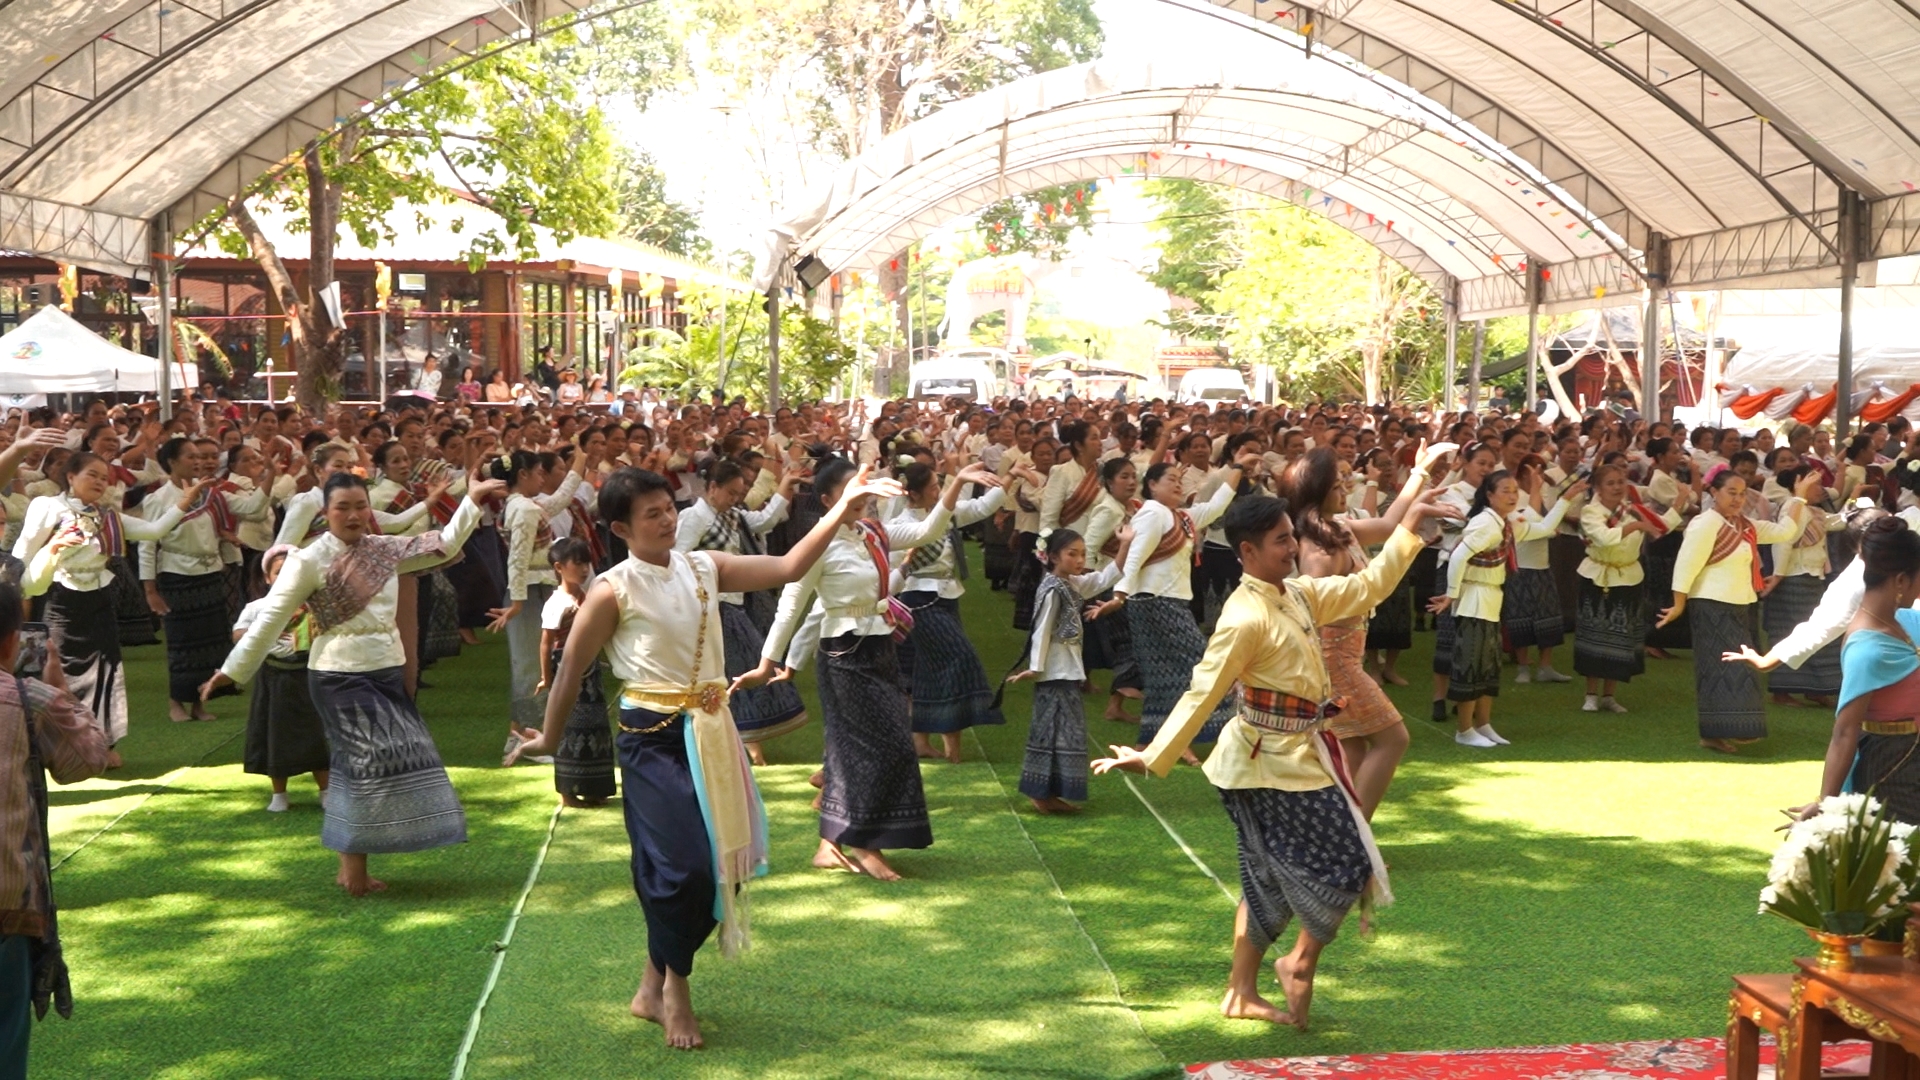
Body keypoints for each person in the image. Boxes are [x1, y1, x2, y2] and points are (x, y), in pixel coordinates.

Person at [506, 463, 904, 1050]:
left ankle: (651, 985)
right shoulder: (611, 589)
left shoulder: (703, 565)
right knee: (682, 869)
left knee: (723, 869)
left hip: (714, 733)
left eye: (669, 507)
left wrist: (843, 509)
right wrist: (547, 737)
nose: (667, 519)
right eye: (652, 514)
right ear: (621, 529)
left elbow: (789, 566)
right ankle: (675, 991)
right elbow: (569, 670)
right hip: (651, 739)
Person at [1093, 493, 1445, 1030]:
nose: (1292, 548)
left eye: (1291, 537)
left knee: (1268, 876)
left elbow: (1367, 588)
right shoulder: (1245, 616)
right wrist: (1151, 756)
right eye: (1281, 540)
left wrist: (1410, 527)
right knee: (1350, 860)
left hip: (1298, 755)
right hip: (1260, 766)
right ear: (1248, 551)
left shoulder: (1298, 593)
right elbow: (1203, 691)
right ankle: (1296, 963)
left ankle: (1244, 989)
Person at [201, 469, 508, 896]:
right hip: (338, 675)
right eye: (342, 507)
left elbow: (445, 545)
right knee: (363, 764)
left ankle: (353, 866)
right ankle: (353, 870)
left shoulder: (385, 549)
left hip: (386, 669)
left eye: (360, 506)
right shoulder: (308, 560)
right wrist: (231, 670)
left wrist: (472, 501)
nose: (353, 515)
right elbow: (270, 618)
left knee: (397, 757)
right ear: (325, 513)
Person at [748, 457, 974, 882]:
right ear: (827, 499)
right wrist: (768, 662)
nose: (863, 494)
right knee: (881, 747)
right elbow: (791, 605)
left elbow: (928, 531)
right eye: (853, 488)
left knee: (852, 749)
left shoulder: (872, 532)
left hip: (879, 646)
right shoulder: (818, 542)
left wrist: (958, 482)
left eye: (865, 486)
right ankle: (865, 844)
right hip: (844, 655)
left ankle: (829, 845)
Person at [1284, 442, 1457, 814]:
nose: (1345, 489)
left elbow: (1389, 525)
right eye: (1336, 485)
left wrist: (1420, 471)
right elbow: (1312, 611)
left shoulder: (1338, 528)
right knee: (1393, 739)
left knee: (1354, 746)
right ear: (1316, 493)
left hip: (1346, 657)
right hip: (1334, 661)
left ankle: (1338, 829)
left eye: (1345, 481)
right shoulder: (1318, 550)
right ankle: (1353, 836)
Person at [15, 452, 202, 767]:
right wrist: (17, 589)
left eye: (105, 478)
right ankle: (59, 750)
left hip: (99, 598)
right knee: (59, 673)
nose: (100, 482)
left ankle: (100, 745)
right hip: (59, 599)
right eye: (92, 474)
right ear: (71, 476)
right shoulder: (48, 507)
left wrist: (184, 502)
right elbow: (22, 552)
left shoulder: (108, 516)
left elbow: (154, 530)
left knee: (105, 672)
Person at [1, 576, 112, 1078]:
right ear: (13, 640)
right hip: (7, 908)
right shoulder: (30, 700)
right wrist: (60, 686)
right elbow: (89, 759)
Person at [1658, 468, 1819, 753]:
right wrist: (1679, 604)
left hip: (1738, 604)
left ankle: (1734, 728)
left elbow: (1785, 531)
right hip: (1710, 604)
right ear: (1714, 493)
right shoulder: (1705, 523)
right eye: (1731, 493)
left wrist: (1799, 497)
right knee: (1718, 668)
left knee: (1741, 665)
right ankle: (1716, 733)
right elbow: (1686, 565)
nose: (1737, 499)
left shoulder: (1745, 525)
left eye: (1742, 494)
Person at [1116, 452, 1258, 759]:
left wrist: (1237, 468)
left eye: (1180, 480)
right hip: (1154, 601)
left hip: (1164, 601)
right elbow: (1134, 557)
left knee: (1164, 673)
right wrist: (1119, 594)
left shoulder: (1181, 516)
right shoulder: (1153, 513)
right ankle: (1178, 740)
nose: (1178, 484)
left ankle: (1153, 740)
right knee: (1195, 666)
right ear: (1152, 485)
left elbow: (1217, 506)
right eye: (1171, 479)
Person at [1431, 468, 1581, 747]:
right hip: (1474, 601)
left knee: (1488, 667)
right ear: (1489, 495)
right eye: (1505, 491)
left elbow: (1543, 529)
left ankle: (1483, 724)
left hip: (1491, 599)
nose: (1512, 496)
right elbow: (1458, 555)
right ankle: (1464, 730)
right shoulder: (1485, 523)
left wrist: (1565, 499)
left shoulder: (1507, 523)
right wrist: (1451, 594)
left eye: (1514, 491)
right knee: (1471, 666)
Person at [675, 458, 805, 764]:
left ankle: (743, 737)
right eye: (731, 492)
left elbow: (764, 520)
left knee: (740, 665)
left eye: (739, 493)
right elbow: (678, 558)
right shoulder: (694, 517)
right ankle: (747, 739)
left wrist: (785, 486)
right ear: (712, 488)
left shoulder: (731, 514)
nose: (735, 499)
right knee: (737, 666)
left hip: (733, 602)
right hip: (710, 606)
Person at [1005, 526, 1132, 813]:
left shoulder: (1071, 584)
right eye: (1072, 554)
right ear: (1053, 556)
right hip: (1055, 672)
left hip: (1066, 670)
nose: (1079, 560)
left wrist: (1124, 544)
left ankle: (1047, 792)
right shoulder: (1053, 589)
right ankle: (1041, 793)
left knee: (1063, 730)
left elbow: (1107, 576)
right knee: (1054, 730)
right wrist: (1035, 668)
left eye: (1082, 554)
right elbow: (1042, 630)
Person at [889, 461, 1008, 764]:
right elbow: (894, 571)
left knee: (928, 669)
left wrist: (1013, 476)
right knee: (959, 657)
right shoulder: (901, 524)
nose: (937, 491)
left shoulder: (945, 512)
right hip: (919, 598)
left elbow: (982, 507)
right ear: (913, 494)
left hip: (948, 594)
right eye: (932, 487)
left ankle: (926, 742)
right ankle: (949, 742)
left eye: (939, 485)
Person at [1805, 518, 1920, 823]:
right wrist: (1826, 803)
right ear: (1900, 581)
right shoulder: (1867, 650)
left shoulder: (1908, 621)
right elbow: (1845, 731)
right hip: (1891, 766)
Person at [486, 447, 589, 760]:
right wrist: (517, 603)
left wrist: (580, 462)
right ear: (523, 474)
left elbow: (559, 500)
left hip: (536, 590)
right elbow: (517, 559)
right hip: (530, 593)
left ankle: (526, 734)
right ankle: (524, 736)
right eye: (539, 473)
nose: (543, 478)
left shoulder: (522, 505)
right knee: (531, 666)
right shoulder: (525, 509)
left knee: (535, 664)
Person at [139, 437, 243, 723]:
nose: (197, 462)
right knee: (181, 642)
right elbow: (147, 544)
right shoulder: (159, 498)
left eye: (199, 456)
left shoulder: (208, 494)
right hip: (177, 575)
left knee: (210, 642)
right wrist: (150, 589)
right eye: (190, 456)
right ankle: (176, 702)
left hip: (209, 573)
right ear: (172, 462)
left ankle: (200, 703)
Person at [1574, 463, 1681, 712]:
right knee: (1594, 634)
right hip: (1597, 576)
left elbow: (1660, 526)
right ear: (1598, 488)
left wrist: (1681, 500)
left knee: (1620, 637)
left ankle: (1609, 695)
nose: (1616, 487)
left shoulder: (1633, 509)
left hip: (1628, 577)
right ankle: (1591, 694)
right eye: (1610, 483)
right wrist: (1636, 526)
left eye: (1620, 482)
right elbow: (1604, 537)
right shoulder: (1590, 512)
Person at [236, 545, 329, 812]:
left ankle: (326, 791)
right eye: (279, 572)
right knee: (275, 735)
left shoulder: (314, 606)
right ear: (267, 578)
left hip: (308, 675)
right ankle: (279, 794)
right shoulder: (258, 608)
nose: (286, 577)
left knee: (316, 733)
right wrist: (264, 632)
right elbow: (238, 634)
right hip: (274, 677)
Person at [536, 537, 614, 807]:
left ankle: (596, 787)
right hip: (566, 668)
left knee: (595, 725)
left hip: (589, 670)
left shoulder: (587, 597)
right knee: (569, 726)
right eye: (577, 563)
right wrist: (547, 677)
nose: (584, 569)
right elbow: (546, 643)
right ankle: (568, 792)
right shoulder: (556, 603)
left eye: (586, 563)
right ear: (559, 567)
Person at [1764, 465, 1846, 708]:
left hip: (1808, 576)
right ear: (1799, 482)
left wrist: (1856, 502)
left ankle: (1815, 689)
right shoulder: (1793, 506)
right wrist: (1778, 576)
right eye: (1816, 483)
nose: (1822, 489)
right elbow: (1784, 541)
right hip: (1794, 578)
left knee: (1809, 632)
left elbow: (1837, 522)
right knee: (1793, 633)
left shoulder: (1812, 510)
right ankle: (1784, 691)